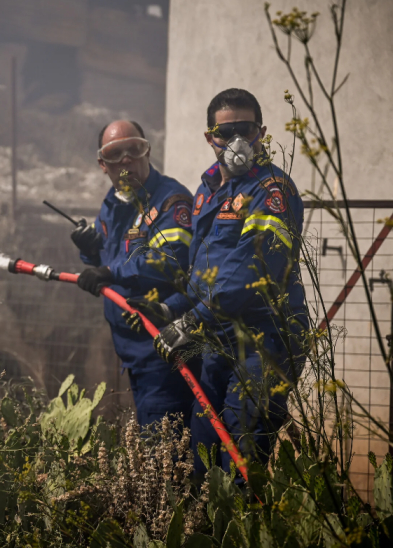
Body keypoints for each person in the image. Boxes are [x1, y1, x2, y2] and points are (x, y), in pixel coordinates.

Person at [134, 88, 308, 477]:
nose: (235, 142)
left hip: (263, 346)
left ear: (261, 132)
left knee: (240, 462)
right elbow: (206, 272)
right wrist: (171, 308)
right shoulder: (206, 192)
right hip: (217, 342)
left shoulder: (272, 191)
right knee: (204, 455)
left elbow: (253, 271)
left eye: (244, 130)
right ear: (209, 137)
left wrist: (191, 323)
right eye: (224, 132)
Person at [72, 119, 198, 427]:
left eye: (134, 149)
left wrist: (109, 270)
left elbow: (169, 259)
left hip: (164, 347)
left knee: (162, 449)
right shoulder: (113, 204)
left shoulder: (171, 200)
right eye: (116, 153)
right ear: (103, 164)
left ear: (148, 152)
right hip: (132, 352)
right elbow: (111, 256)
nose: (126, 159)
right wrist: (90, 250)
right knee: (156, 446)